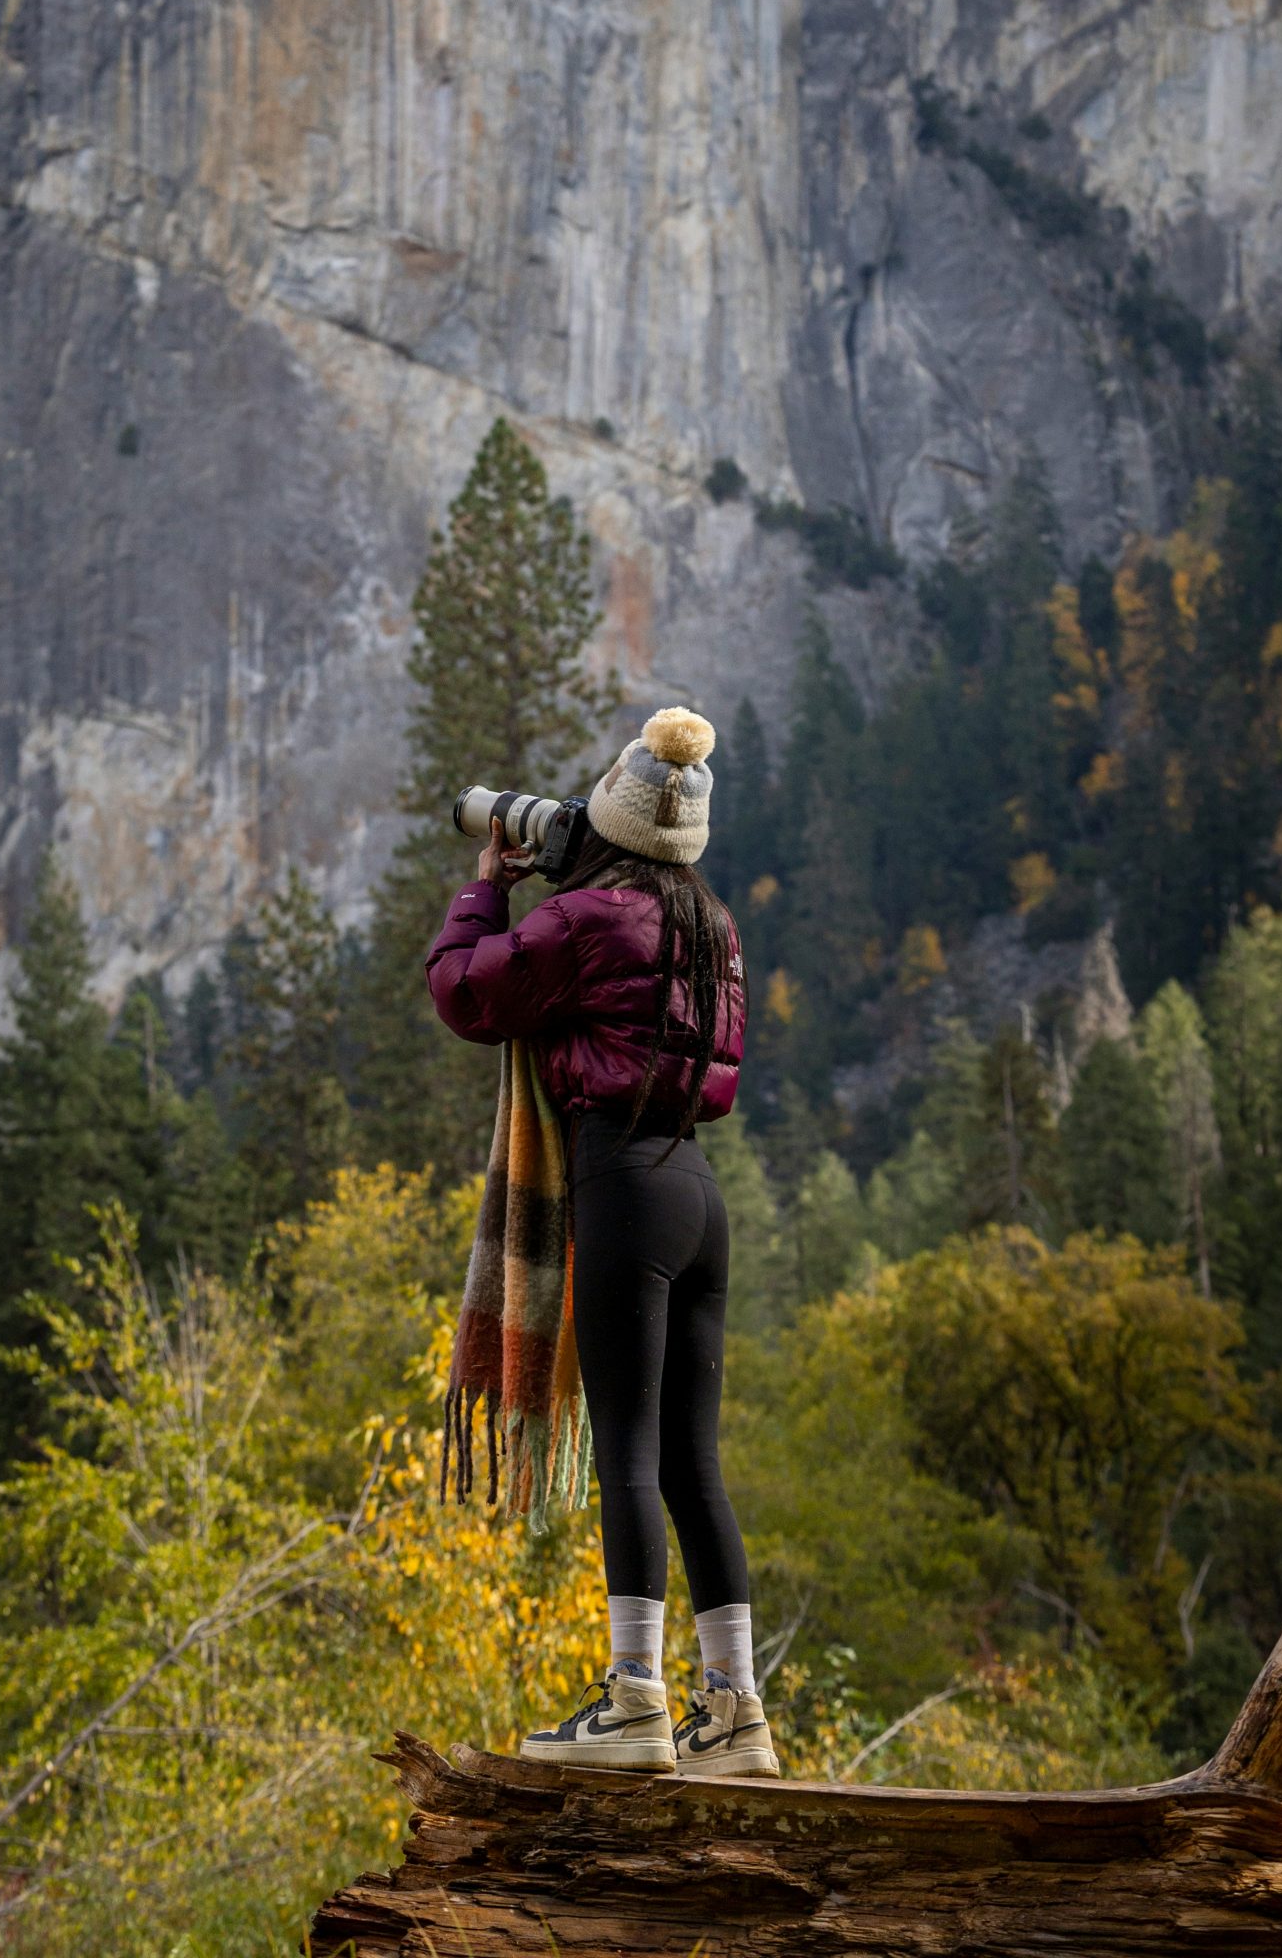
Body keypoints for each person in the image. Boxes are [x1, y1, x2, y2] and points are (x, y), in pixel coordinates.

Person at [425, 705, 775, 1780]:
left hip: (621, 1183)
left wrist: (489, 888)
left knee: (623, 1448)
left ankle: (634, 1703)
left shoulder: (589, 921)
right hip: (698, 1193)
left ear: (611, 823)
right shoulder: (713, 927)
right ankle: (736, 1713)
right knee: (691, 1465)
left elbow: (465, 991)